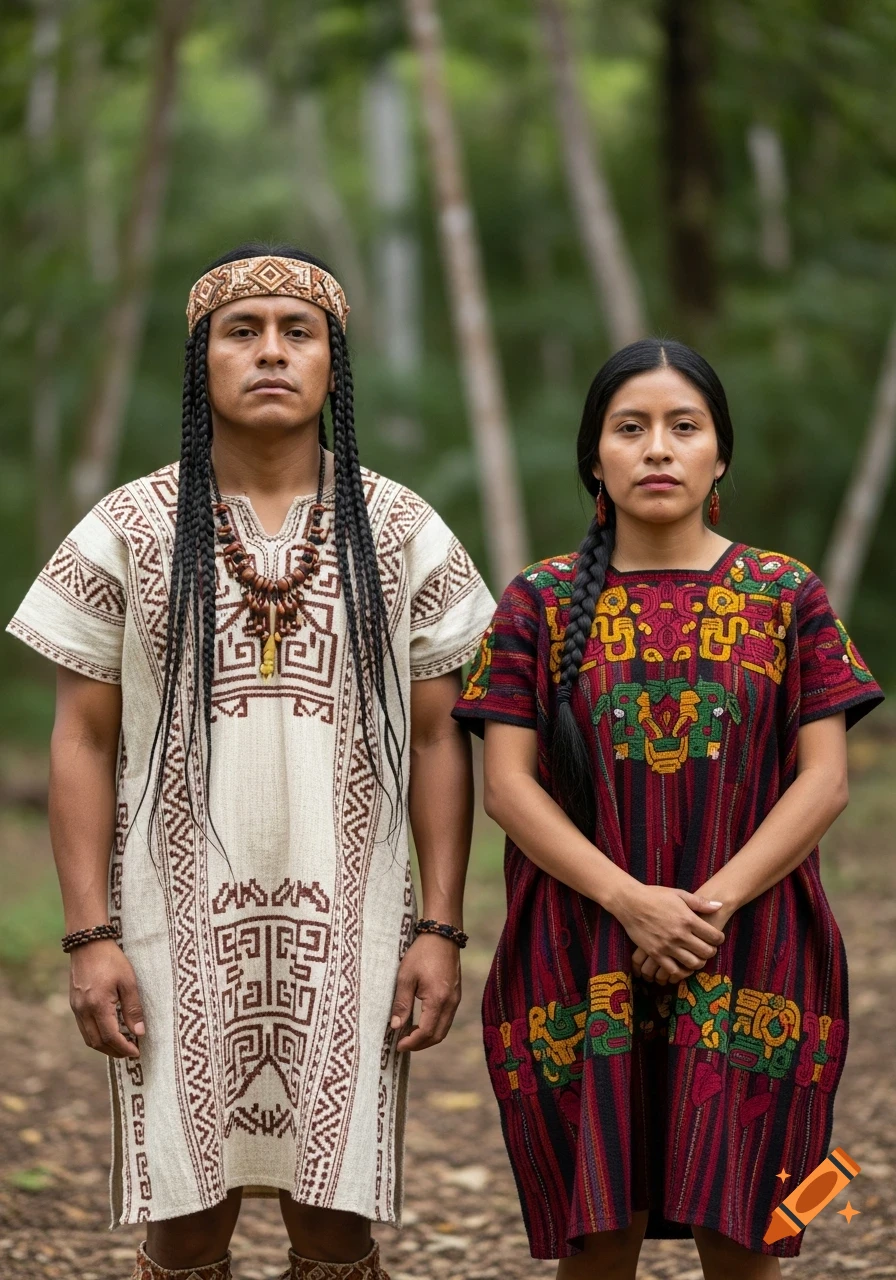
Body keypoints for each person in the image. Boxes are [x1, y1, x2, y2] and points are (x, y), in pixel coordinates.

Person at [8, 244, 496, 1280]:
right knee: (186, 1218)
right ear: (202, 362)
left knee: (334, 1221)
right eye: (241, 330)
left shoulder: (399, 528)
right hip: (168, 922)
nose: (269, 350)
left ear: (333, 361)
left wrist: (440, 926)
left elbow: (439, 735)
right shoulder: (127, 530)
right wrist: (89, 933)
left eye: (297, 330)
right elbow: (83, 740)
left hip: (353, 922)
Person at [451, 339, 883, 1280]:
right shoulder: (539, 601)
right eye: (630, 428)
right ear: (594, 457)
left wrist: (704, 908)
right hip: (578, 944)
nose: (658, 449)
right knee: (598, 1238)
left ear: (719, 455)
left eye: (684, 428)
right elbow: (507, 788)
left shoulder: (786, 594)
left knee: (750, 1236)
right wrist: (629, 901)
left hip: (755, 941)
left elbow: (826, 780)